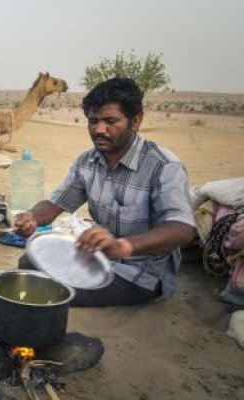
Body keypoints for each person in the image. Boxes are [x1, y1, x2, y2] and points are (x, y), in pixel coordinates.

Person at [14, 77, 195, 307]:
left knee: (45, 287)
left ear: (136, 121)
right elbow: (53, 205)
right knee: (29, 264)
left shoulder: (164, 166)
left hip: (140, 274)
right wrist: (31, 216)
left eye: (110, 121)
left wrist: (123, 247)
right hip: (97, 258)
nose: (99, 130)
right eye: (93, 121)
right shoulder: (87, 162)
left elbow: (182, 229)